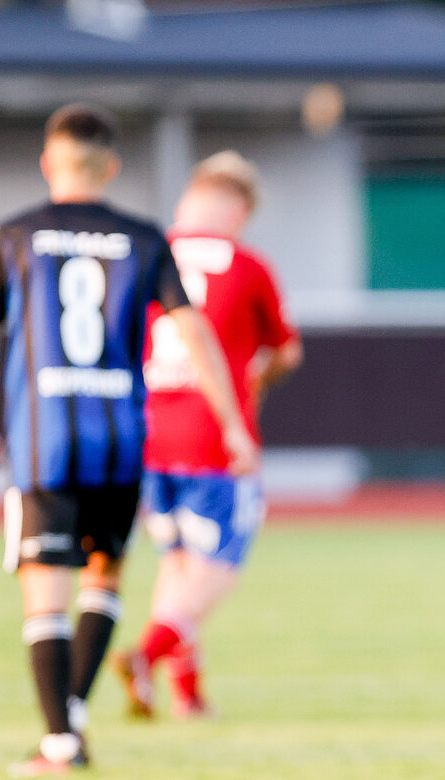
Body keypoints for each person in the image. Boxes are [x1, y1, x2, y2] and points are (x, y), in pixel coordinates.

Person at [0, 104, 256, 777]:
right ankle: (73, 720)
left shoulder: (12, 235)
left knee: (45, 594)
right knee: (105, 580)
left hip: (45, 439)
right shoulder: (144, 238)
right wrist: (233, 420)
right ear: (111, 166)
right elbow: (195, 331)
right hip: (121, 439)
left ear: (48, 163)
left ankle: (59, 738)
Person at [115, 151, 302, 719]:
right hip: (213, 437)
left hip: (149, 435)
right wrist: (256, 379)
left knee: (177, 565)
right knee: (219, 562)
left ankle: (188, 695)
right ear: (240, 209)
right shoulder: (247, 265)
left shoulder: (147, 256)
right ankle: (147, 654)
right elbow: (286, 350)